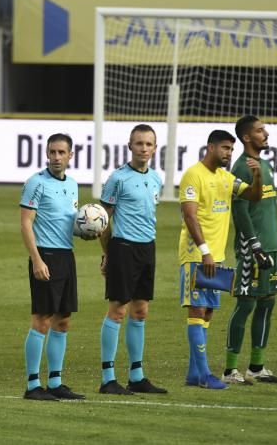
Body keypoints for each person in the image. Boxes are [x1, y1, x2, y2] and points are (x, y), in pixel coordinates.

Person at [179, 130, 261, 390]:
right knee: (197, 310)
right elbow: (190, 215)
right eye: (224, 148)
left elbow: (253, 196)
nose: (228, 153)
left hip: (218, 256)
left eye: (231, 149)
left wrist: (257, 176)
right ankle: (204, 374)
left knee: (208, 312)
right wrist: (204, 250)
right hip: (198, 255)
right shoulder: (194, 174)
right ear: (210, 147)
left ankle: (195, 373)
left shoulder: (227, 178)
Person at [97, 124, 167, 395]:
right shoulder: (118, 178)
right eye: (139, 144)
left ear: (155, 147)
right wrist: (108, 253)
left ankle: (136, 375)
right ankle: (108, 378)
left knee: (141, 311)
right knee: (118, 311)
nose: (144, 149)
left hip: (147, 248)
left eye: (149, 144)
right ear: (130, 146)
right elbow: (102, 220)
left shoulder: (156, 178)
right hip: (123, 249)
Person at [21, 133, 87, 401]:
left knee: (63, 320)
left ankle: (56, 381)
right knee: (42, 319)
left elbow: (69, 222)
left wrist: (86, 231)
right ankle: (33, 384)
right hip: (45, 255)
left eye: (61, 152)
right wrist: (36, 259)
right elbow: (26, 223)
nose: (56, 157)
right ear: (47, 153)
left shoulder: (72, 185)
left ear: (71, 155)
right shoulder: (35, 183)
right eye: (52, 152)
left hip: (66, 256)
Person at [224, 116, 277, 385]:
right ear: (247, 137)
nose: (266, 133)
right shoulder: (241, 168)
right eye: (260, 131)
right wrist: (254, 245)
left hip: (271, 246)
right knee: (245, 304)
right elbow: (241, 211)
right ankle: (229, 370)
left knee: (267, 303)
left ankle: (257, 367)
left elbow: (267, 209)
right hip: (253, 250)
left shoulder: (264, 165)